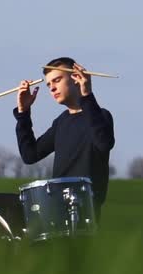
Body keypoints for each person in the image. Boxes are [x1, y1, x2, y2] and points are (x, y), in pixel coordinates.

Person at [14, 57, 115, 215]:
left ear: (76, 77)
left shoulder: (101, 115)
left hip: (85, 209)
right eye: (49, 84)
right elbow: (30, 155)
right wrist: (23, 113)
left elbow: (104, 143)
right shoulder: (61, 122)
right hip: (56, 207)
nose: (52, 88)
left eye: (57, 80)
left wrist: (87, 94)